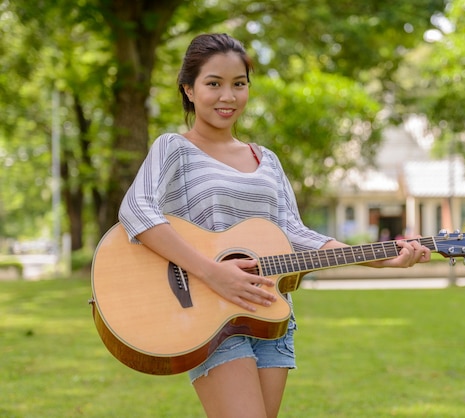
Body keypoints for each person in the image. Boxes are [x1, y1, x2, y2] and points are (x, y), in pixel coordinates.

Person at [118, 33, 432, 418]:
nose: (227, 97)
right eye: (213, 83)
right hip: (210, 314)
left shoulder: (266, 159)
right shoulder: (174, 148)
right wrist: (214, 273)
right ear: (188, 88)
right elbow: (137, 209)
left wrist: (379, 258)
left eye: (239, 84)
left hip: (271, 312)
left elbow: (296, 236)